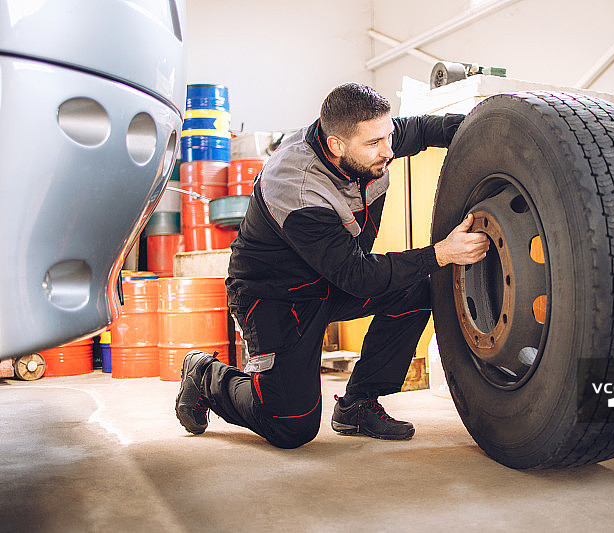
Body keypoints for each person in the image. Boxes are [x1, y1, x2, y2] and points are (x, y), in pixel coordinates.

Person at [175, 82, 489, 448]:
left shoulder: (366, 138)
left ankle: (358, 404)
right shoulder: (298, 186)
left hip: (330, 279)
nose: (389, 150)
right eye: (376, 143)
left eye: (388, 136)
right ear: (337, 145)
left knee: (415, 288)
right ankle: (205, 375)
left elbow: (421, 129)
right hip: (276, 297)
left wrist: (490, 124)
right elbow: (358, 276)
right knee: (291, 425)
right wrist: (440, 253)